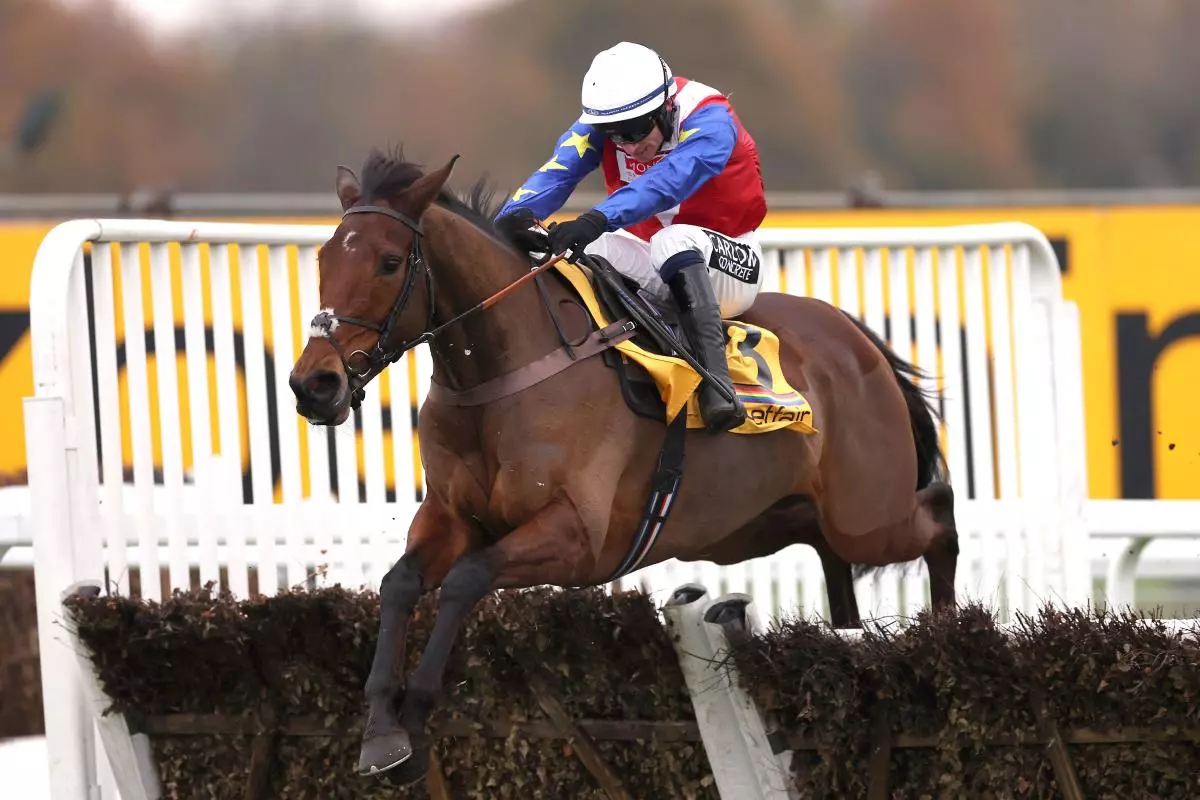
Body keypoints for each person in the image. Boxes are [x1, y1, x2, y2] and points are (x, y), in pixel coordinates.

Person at [494, 41, 768, 434]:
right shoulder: (606, 124)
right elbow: (557, 173)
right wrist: (507, 224)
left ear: (667, 107)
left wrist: (597, 218)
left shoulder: (712, 121)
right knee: (569, 248)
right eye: (615, 135)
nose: (628, 145)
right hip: (652, 255)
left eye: (637, 131)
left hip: (731, 263)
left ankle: (717, 385)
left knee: (673, 240)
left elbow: (665, 183)